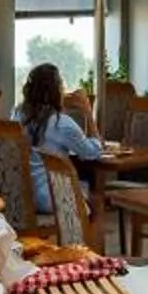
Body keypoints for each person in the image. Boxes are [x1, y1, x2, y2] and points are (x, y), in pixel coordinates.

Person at [18, 62, 103, 221]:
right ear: (56, 91)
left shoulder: (17, 115)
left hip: (20, 196)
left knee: (81, 186)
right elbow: (93, 152)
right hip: (48, 198)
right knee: (96, 198)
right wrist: (87, 113)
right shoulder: (61, 123)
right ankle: (84, 244)